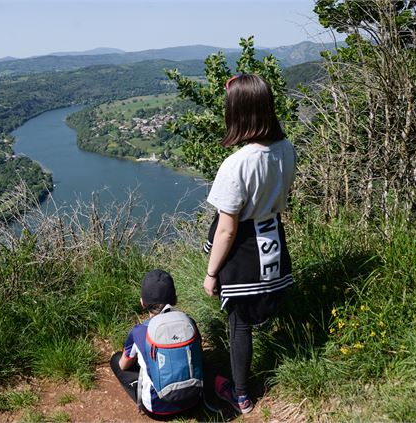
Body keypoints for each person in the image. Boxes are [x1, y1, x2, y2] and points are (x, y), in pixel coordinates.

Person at [203, 74, 296, 414]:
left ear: (238, 113)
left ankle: (240, 395)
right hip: (273, 235)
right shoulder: (286, 149)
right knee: (268, 305)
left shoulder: (236, 165)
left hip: (243, 250)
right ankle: (286, 355)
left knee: (239, 322)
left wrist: (211, 273)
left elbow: (226, 230)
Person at [110, 269, 203, 417]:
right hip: (194, 401)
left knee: (116, 360)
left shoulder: (138, 331)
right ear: (175, 299)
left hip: (158, 409)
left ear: (142, 302)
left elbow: (124, 365)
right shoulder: (189, 323)